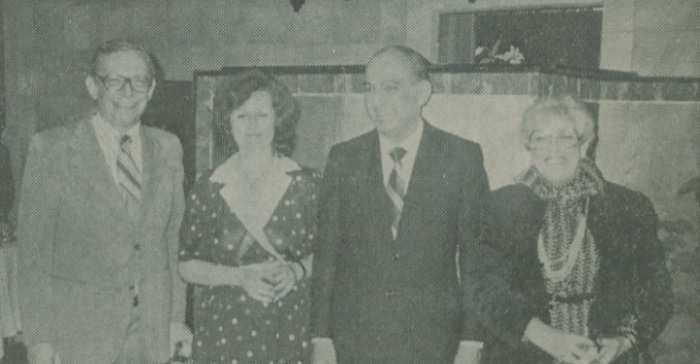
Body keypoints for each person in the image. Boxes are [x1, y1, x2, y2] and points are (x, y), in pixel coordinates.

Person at [311, 46, 489, 364]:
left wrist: (472, 342)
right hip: (355, 342)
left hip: (434, 344)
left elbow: (477, 260)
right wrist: (321, 337)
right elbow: (326, 255)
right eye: (370, 89)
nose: (376, 102)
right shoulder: (343, 158)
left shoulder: (462, 158)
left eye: (390, 88)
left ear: (422, 92)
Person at [16, 39, 189, 364]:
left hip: (152, 331)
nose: (128, 92)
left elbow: (173, 239)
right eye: (114, 81)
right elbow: (33, 256)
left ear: (151, 89)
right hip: (81, 334)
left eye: (138, 82)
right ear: (93, 86)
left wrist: (176, 318)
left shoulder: (169, 148)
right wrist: (39, 338)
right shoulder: (50, 149)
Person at [475, 96, 673, 364]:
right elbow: (484, 287)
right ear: (528, 147)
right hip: (523, 355)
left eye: (566, 137)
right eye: (540, 138)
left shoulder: (628, 207)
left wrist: (624, 341)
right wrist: (543, 336)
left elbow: (655, 288)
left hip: (607, 356)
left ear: (584, 145)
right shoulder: (499, 207)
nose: (552, 148)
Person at [178, 69, 319, 364]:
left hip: (288, 327)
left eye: (262, 115)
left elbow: (330, 255)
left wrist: (296, 271)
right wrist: (237, 277)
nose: (252, 125)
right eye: (242, 116)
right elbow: (186, 265)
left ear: (277, 120)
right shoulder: (208, 186)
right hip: (223, 331)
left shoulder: (307, 184)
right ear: (227, 124)